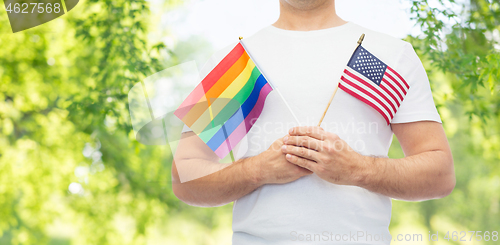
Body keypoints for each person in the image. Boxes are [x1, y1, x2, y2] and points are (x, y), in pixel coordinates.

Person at [172, 0, 455, 244]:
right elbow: (184, 178)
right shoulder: (234, 62)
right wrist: (257, 170)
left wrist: (357, 169)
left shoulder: (392, 54)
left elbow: (440, 174)